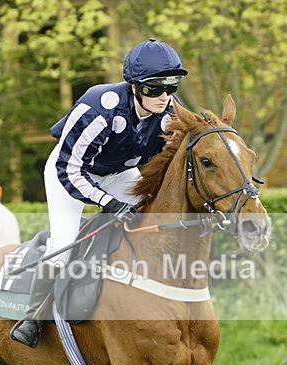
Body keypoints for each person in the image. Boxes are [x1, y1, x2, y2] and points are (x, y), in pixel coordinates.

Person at [10, 38, 189, 348]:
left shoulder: (169, 112)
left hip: (117, 172)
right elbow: (69, 169)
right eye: (153, 89)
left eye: (170, 87)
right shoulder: (99, 108)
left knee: (150, 220)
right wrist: (108, 202)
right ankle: (33, 318)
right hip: (71, 171)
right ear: (134, 86)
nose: (163, 97)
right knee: (64, 244)